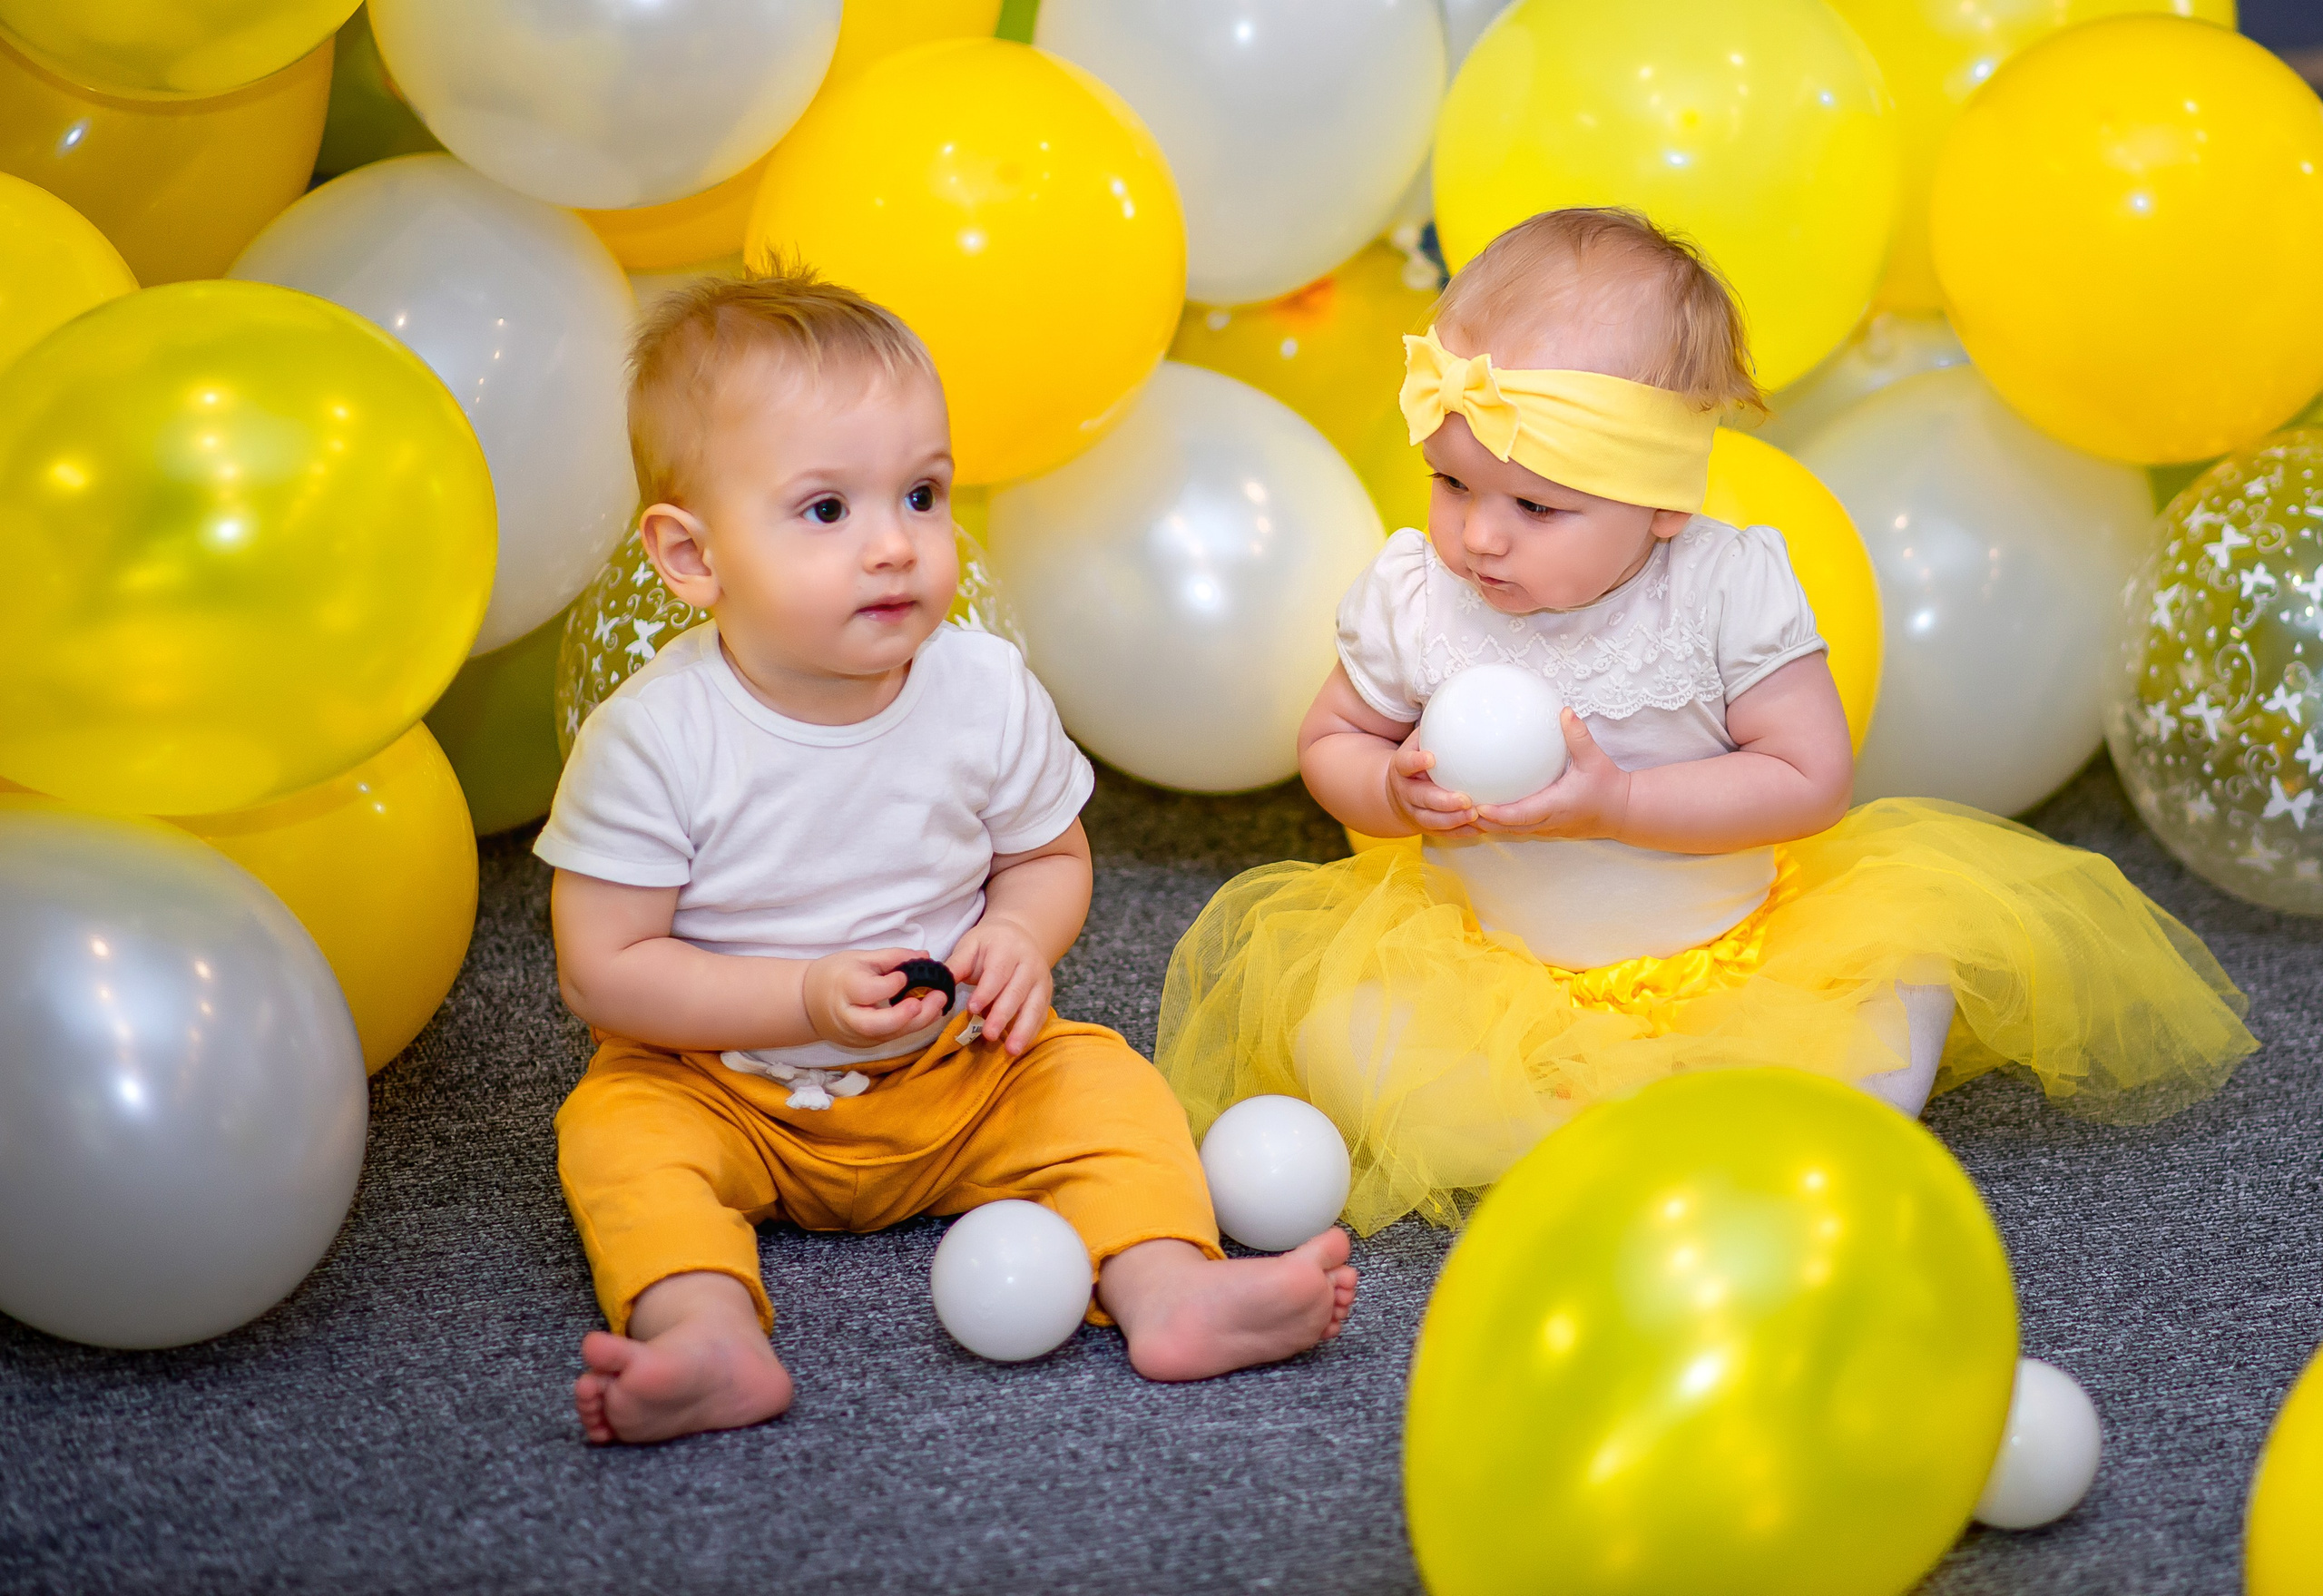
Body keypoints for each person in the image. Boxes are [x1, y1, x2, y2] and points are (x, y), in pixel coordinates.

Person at [1155, 208, 2257, 1238]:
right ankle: (1587, 1125)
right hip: (1491, 970)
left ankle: (1681, 1116)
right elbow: (1330, 739)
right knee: (1350, 1046)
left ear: (1663, 503)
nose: (1480, 538)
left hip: (1724, 956)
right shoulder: (1415, 593)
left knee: (1882, 1025)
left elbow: (1809, 777)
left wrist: (1619, 801)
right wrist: (1386, 790)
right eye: (1451, 484)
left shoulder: (1722, 590)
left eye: (1535, 506)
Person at [537, 271, 1357, 1446]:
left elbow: (1049, 856)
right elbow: (601, 970)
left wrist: (1021, 933)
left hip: (960, 1069)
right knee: (618, 1133)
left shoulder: (981, 688)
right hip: (724, 1078)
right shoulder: (656, 737)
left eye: (921, 493)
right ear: (691, 558)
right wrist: (800, 994)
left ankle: (1172, 1287)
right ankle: (704, 1329)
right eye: (827, 510)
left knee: (1105, 1082)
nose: (893, 546)